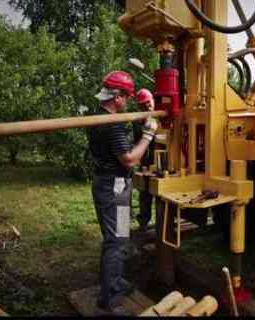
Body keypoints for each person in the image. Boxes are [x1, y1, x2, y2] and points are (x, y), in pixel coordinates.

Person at [88, 71, 158, 312]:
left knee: (118, 237)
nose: (127, 101)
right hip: (114, 184)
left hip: (106, 182)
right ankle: (109, 300)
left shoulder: (96, 115)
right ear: (116, 96)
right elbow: (129, 160)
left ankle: (115, 282)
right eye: (126, 96)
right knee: (116, 241)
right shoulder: (113, 124)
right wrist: (148, 135)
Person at [133, 89, 156, 232]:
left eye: (148, 102)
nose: (146, 106)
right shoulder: (137, 122)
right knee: (145, 193)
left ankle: (166, 223)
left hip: (164, 161)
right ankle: (143, 222)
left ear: (152, 100)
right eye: (143, 105)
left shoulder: (162, 116)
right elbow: (137, 143)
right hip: (146, 162)